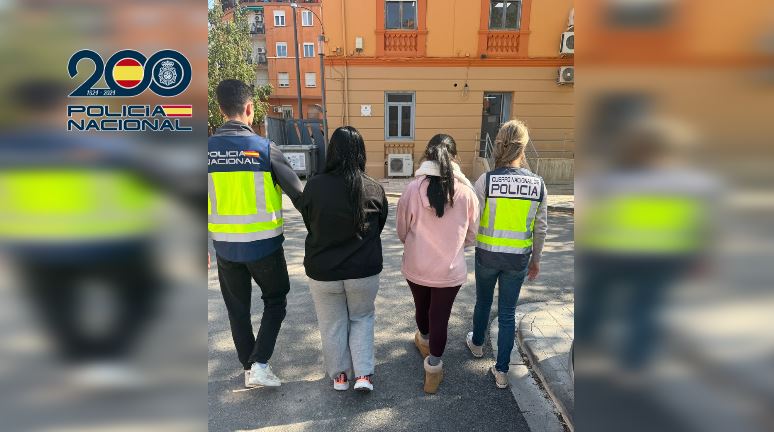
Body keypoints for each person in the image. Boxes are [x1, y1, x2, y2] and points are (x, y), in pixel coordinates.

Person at [208, 79, 303, 388]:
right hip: (264, 248)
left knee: (237, 311)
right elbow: (299, 195)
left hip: (225, 249)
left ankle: (249, 368)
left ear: (220, 109)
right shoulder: (264, 149)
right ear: (249, 109)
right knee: (275, 301)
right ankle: (259, 363)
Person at [299, 126, 388, 392]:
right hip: (363, 271)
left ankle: (340, 377)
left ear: (332, 152)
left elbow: (309, 223)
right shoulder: (373, 188)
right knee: (362, 318)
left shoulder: (314, 186)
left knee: (332, 324)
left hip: (323, 271)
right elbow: (379, 227)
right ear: (361, 152)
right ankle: (363, 375)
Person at [465, 119, 548, 389]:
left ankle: (477, 344)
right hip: (517, 260)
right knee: (508, 313)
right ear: (523, 148)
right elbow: (540, 228)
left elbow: (472, 220)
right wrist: (536, 260)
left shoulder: (486, 181)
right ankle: (502, 371)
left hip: (487, 256)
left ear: (499, 144)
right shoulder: (537, 184)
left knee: (483, 302)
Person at [396, 134, 479, 394]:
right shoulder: (467, 192)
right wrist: (453, 245)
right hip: (449, 270)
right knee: (440, 316)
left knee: (422, 307)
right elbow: (472, 235)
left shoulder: (412, 189)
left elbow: (402, 230)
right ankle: (433, 370)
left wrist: (414, 245)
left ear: (427, 154)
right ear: (455, 157)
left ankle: (424, 340)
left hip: (416, 266)